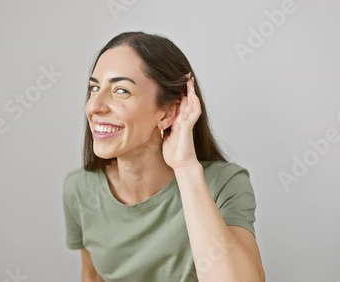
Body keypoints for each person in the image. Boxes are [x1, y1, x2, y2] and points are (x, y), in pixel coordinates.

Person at [62, 31, 265, 282]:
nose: (93, 106)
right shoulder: (80, 189)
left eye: (121, 90)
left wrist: (186, 167)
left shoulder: (223, 183)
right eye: (94, 87)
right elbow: (92, 278)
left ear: (168, 112)